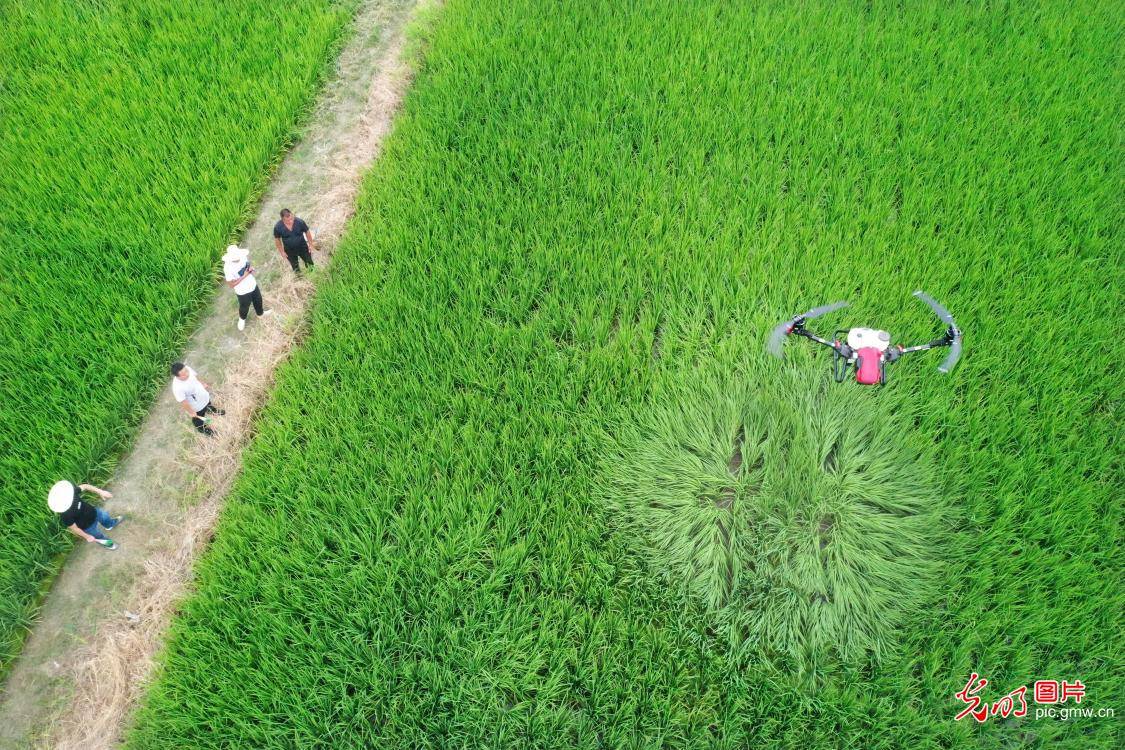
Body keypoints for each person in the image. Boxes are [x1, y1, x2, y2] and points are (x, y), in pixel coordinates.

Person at [48, 480, 122, 550]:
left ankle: (110, 525)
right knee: (99, 536)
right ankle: (109, 544)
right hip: (87, 527)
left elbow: (85, 486)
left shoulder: (72, 492)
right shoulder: (65, 515)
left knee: (105, 517)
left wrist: (100, 491)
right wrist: (87, 536)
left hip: (94, 512)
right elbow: (74, 528)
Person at [222, 245, 271, 331]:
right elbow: (231, 285)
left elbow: (247, 266)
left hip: (252, 284)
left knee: (258, 300)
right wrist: (244, 276)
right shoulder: (227, 268)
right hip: (242, 291)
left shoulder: (243, 256)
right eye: (235, 257)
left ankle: (260, 314)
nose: (238, 258)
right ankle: (242, 319)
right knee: (244, 306)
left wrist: (250, 269)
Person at [171, 362, 225, 436]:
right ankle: (203, 429)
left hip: (203, 395)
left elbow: (195, 377)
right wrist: (191, 412)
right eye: (184, 374)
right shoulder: (177, 388)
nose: (187, 374)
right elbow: (183, 402)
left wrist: (202, 383)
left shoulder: (187, 369)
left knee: (208, 404)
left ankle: (213, 411)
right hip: (196, 405)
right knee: (198, 418)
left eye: (186, 370)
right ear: (178, 377)